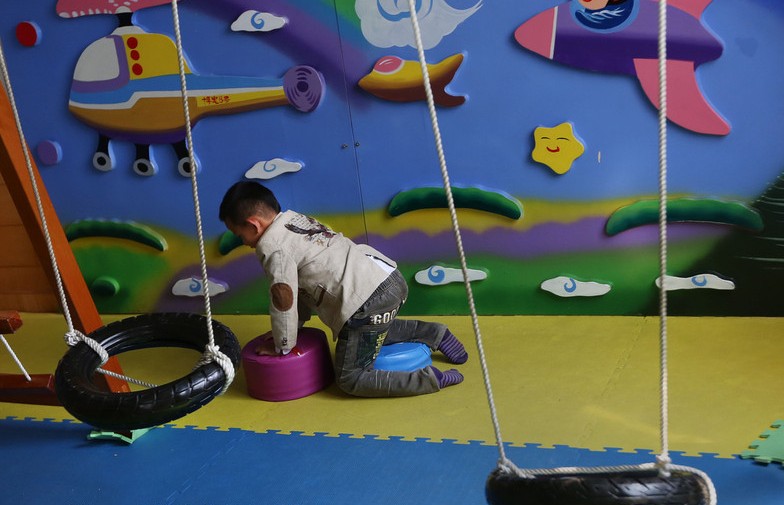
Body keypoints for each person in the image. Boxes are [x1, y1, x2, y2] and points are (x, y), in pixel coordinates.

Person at [218, 181, 469, 397]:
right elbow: (300, 290)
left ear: (254, 225)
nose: (245, 243)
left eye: (241, 236)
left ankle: (429, 379)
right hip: (388, 279)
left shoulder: (272, 247)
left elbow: (284, 298)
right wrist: (297, 328)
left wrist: (282, 345)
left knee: (351, 379)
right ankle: (436, 334)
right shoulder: (296, 220)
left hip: (365, 301)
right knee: (370, 331)